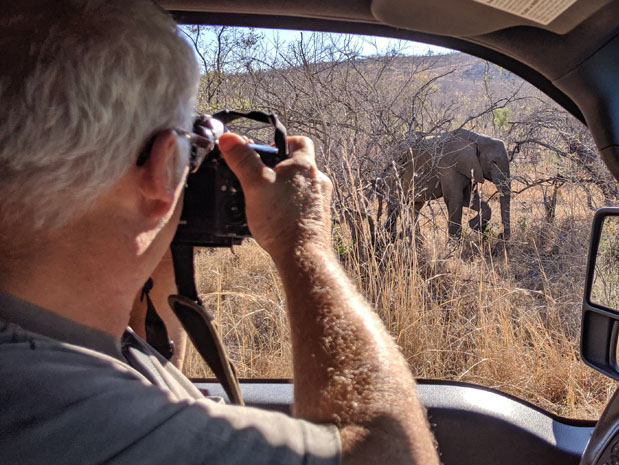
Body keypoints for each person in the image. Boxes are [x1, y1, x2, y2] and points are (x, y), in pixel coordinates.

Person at [0, 1, 439, 464]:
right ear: (164, 165)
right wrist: (304, 244)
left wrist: (160, 233)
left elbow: (149, 369)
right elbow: (391, 452)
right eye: (197, 141)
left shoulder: (55, 350)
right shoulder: (79, 413)